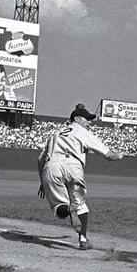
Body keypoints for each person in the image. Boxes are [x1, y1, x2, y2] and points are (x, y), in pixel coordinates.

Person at [37, 104, 124, 250]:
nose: (89, 122)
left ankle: (70, 210)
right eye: (87, 119)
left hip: (52, 166)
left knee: (59, 208)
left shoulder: (56, 133)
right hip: (74, 166)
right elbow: (109, 155)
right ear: (76, 119)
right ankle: (83, 240)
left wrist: (42, 181)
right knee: (81, 205)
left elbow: (40, 159)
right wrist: (120, 155)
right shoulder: (82, 132)